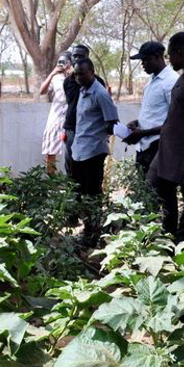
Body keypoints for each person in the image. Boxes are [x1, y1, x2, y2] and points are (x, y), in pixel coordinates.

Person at [146, 32, 184, 236]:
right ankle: (168, 234)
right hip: (168, 150)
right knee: (156, 189)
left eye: (170, 55)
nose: (169, 60)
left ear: (179, 53)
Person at [71, 58, 119, 239]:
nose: (78, 77)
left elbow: (112, 121)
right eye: (76, 74)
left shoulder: (100, 94)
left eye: (81, 73)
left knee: (92, 194)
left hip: (94, 151)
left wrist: (103, 130)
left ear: (92, 72)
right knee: (81, 192)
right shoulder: (83, 91)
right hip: (79, 150)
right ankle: (88, 228)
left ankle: (93, 233)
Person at [124, 41, 178, 177]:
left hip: (159, 147)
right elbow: (154, 112)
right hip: (143, 147)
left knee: (160, 194)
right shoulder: (151, 80)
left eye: (146, 60)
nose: (142, 64)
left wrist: (143, 133)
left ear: (158, 56)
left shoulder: (171, 81)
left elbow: (176, 121)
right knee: (144, 192)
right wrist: (137, 123)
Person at [62, 45, 106, 176]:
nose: (77, 58)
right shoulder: (67, 82)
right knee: (70, 166)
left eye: (81, 56)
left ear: (87, 58)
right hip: (71, 129)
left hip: (89, 132)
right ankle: (73, 196)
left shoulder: (97, 82)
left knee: (88, 169)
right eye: (74, 56)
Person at [39, 52, 72, 174]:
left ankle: (70, 180)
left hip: (69, 118)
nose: (62, 65)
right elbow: (42, 91)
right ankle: (51, 181)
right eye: (60, 62)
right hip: (56, 117)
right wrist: (52, 73)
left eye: (65, 62)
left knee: (70, 150)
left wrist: (71, 76)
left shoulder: (75, 78)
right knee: (50, 151)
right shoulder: (55, 78)